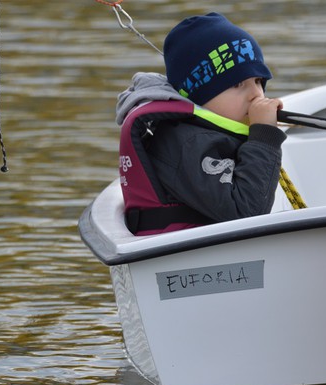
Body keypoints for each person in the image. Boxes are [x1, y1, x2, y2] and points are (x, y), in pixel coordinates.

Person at [115, 12, 286, 236]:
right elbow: (247, 214)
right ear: (198, 93)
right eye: (237, 83)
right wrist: (264, 136)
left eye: (258, 81)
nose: (256, 94)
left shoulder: (203, 131)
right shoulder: (187, 143)